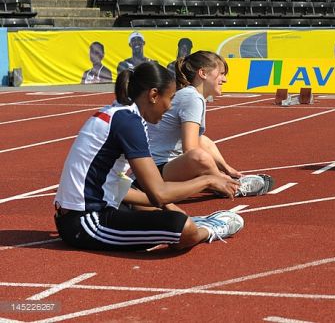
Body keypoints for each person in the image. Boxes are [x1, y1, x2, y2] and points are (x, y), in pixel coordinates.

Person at [54, 62, 244, 252]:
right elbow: (159, 194)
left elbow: (118, 186)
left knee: (159, 212)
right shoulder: (128, 123)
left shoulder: (120, 113)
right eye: (170, 98)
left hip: (82, 214)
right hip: (86, 223)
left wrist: (169, 208)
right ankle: (209, 229)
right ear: (153, 95)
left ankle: (196, 222)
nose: (170, 107)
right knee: (183, 230)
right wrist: (208, 180)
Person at [146, 51, 273, 196]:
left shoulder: (192, 95)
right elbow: (191, 151)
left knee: (203, 140)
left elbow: (199, 142)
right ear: (203, 73)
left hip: (162, 166)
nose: (224, 80)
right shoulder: (192, 97)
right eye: (221, 74)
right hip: (155, 170)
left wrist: (227, 168)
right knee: (200, 156)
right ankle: (227, 186)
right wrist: (218, 175)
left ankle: (227, 178)